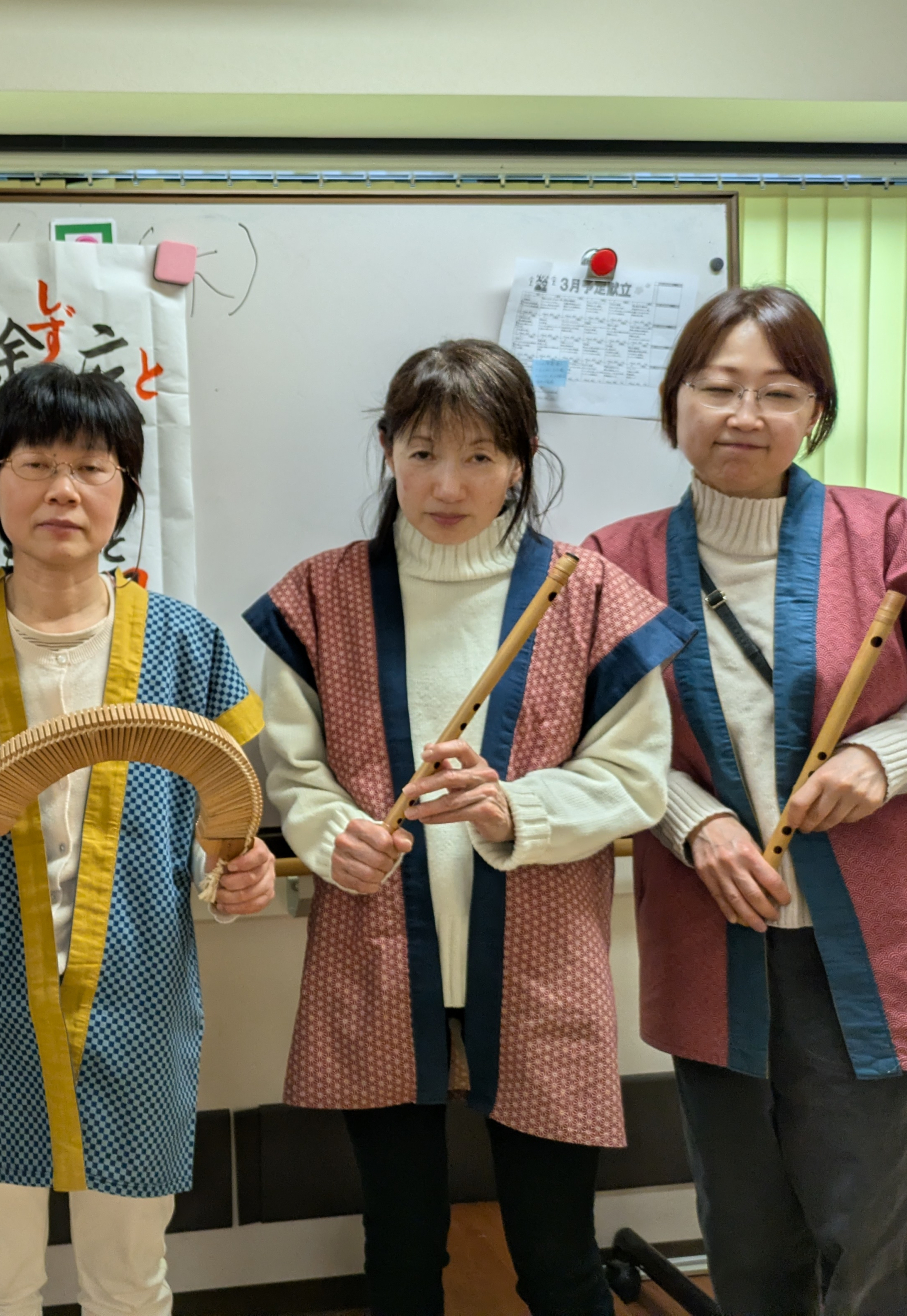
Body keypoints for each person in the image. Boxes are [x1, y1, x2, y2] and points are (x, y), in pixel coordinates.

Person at [246, 340, 691, 1316]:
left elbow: (635, 779)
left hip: (541, 967)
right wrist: (331, 833)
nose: (447, 484)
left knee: (557, 1257)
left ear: (522, 460)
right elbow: (295, 773)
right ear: (387, 449)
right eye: (422, 453)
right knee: (400, 1251)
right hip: (376, 957)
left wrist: (513, 808)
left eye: (481, 456)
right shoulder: (320, 595)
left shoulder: (586, 594)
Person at [0, 361, 275, 1316]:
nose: (63, 490)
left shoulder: (187, 643)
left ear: (124, 489)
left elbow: (231, 818)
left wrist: (237, 881)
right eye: (35, 464)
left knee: (130, 1274)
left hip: (139, 993)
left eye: (91, 467)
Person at [587, 286, 907, 1315]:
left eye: (779, 392)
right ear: (675, 402)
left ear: (815, 412)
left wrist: (882, 759)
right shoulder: (608, 566)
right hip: (714, 940)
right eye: (718, 388)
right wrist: (693, 821)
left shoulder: (892, 538)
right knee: (748, 1237)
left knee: (885, 1240)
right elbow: (598, 745)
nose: (744, 415)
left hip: (880, 947)